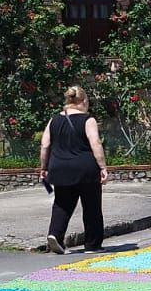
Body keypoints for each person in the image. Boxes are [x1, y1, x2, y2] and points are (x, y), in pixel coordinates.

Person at [39, 85, 108, 254]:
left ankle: (55, 235)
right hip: (85, 168)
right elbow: (95, 143)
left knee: (62, 204)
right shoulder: (88, 120)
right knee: (91, 206)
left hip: (60, 168)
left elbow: (45, 144)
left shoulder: (54, 119)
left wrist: (44, 167)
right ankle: (92, 244)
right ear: (83, 101)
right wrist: (103, 167)